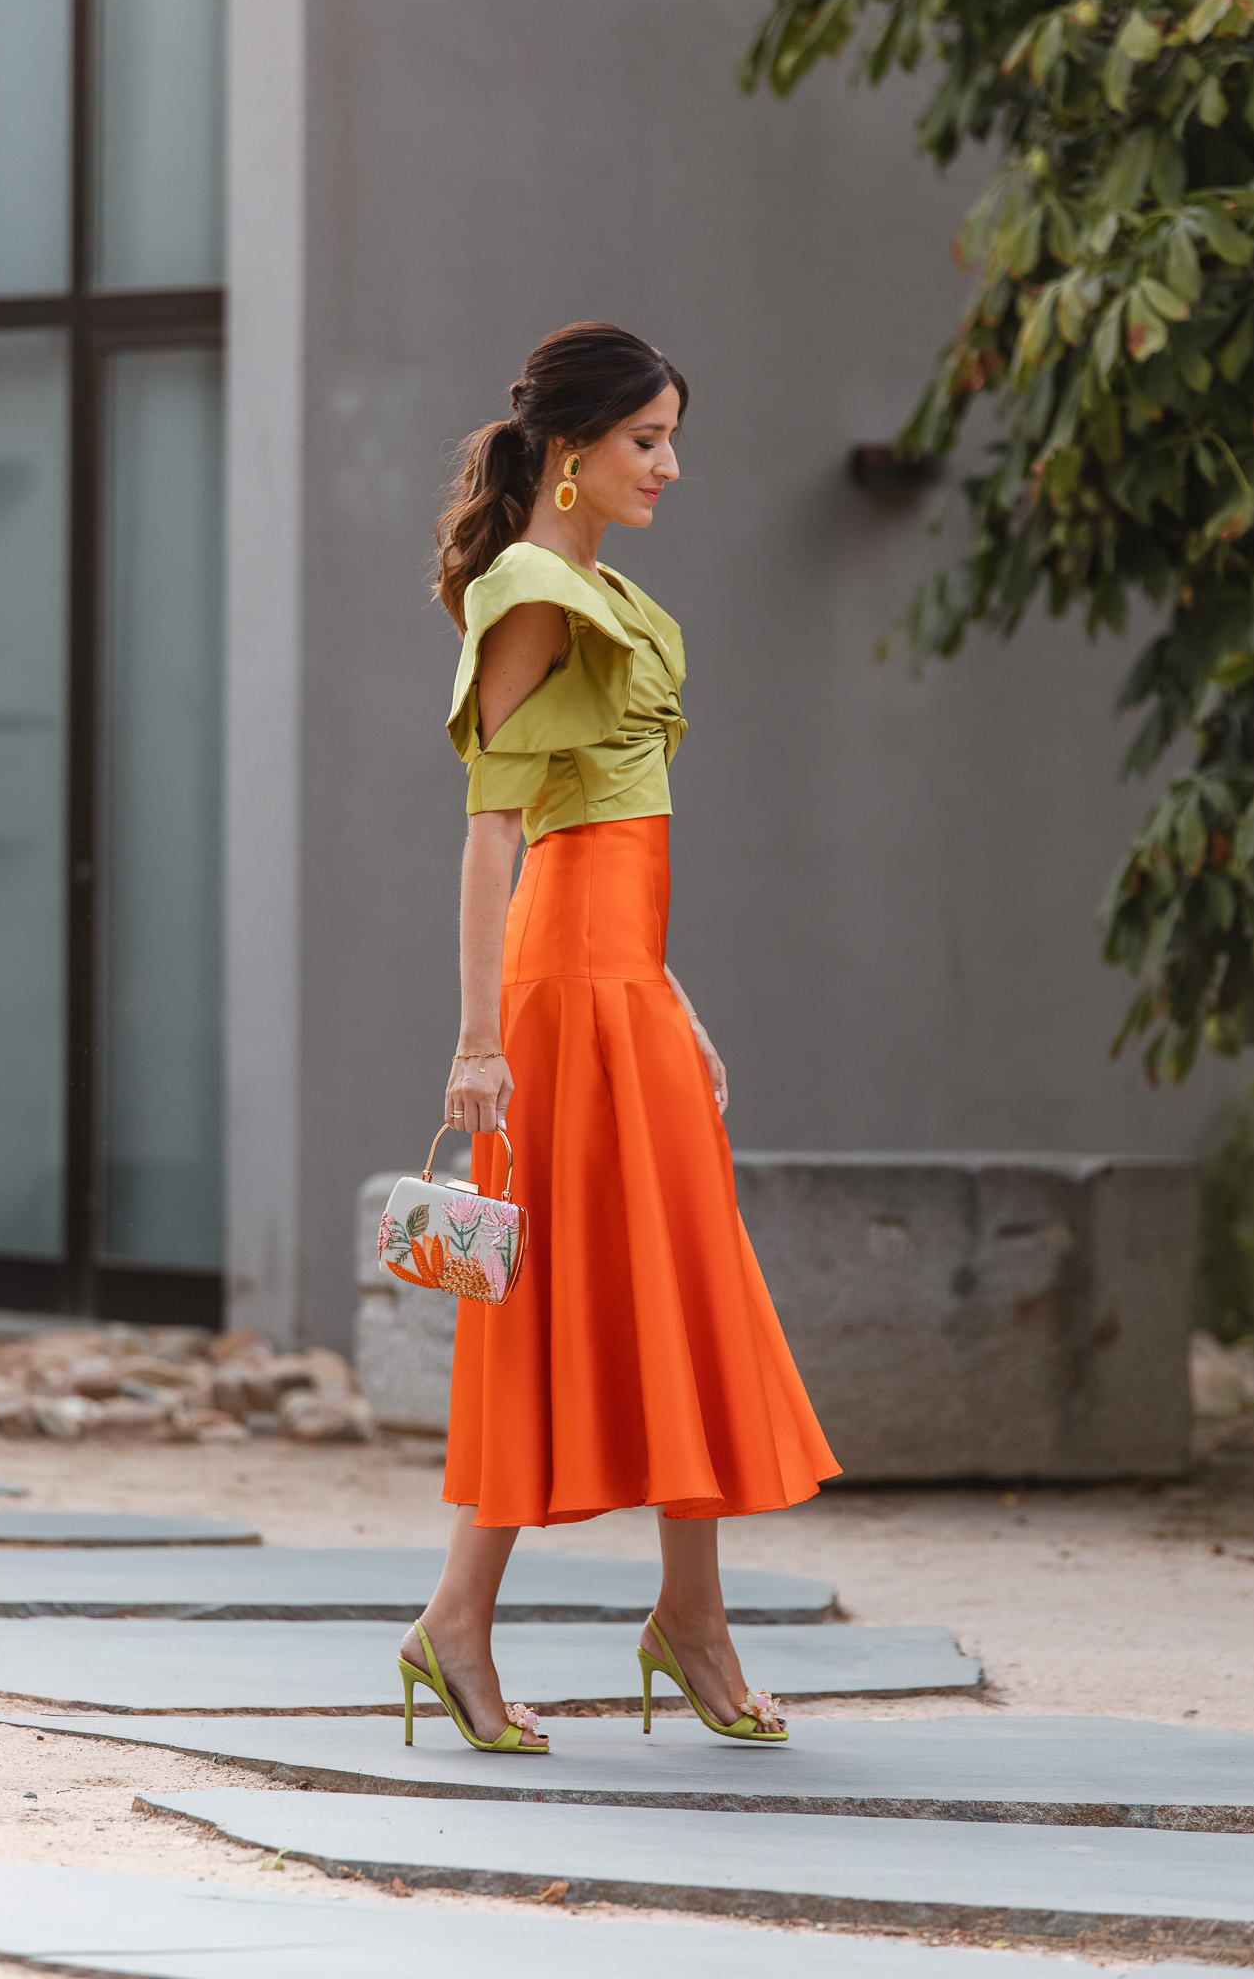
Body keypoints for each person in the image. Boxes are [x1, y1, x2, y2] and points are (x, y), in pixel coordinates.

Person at [398, 322, 840, 1754]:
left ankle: (685, 1617)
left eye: (670, 437)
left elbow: (612, 841)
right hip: (553, 1007)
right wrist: (476, 1047)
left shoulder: (610, 592)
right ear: (571, 453)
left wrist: (672, 994)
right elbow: (490, 836)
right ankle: (462, 1622)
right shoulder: (532, 588)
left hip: (623, 990)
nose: (669, 464)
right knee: (555, 1303)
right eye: (645, 440)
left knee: (678, 1296)